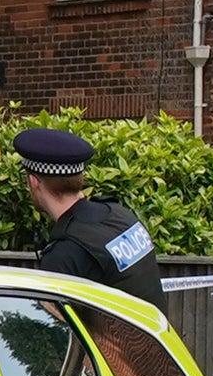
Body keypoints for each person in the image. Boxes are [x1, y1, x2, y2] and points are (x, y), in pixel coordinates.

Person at [16, 126, 164, 309]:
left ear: (33, 182)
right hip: (159, 335)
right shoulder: (120, 216)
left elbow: (59, 330)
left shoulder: (66, 253)